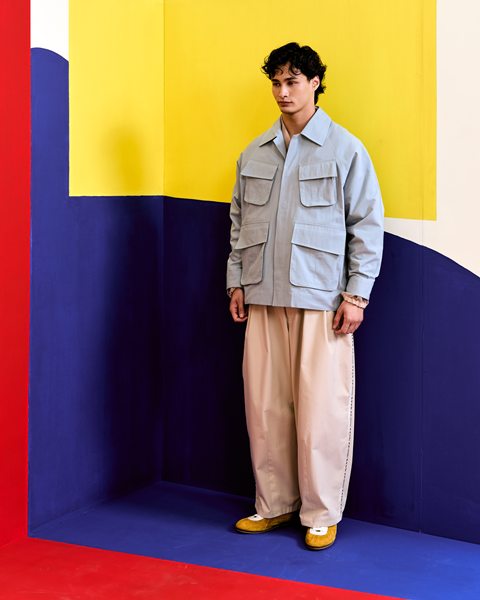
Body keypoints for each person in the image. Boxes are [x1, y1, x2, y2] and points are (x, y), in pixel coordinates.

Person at [226, 42, 384, 550]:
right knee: (264, 407)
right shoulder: (253, 153)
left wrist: (356, 296)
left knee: (321, 410)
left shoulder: (345, 150)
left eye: (292, 81)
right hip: (263, 296)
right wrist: (236, 281)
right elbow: (239, 225)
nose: (282, 91)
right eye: (276, 82)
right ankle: (273, 504)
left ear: (315, 83)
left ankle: (320, 512)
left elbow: (366, 226)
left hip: (321, 301)